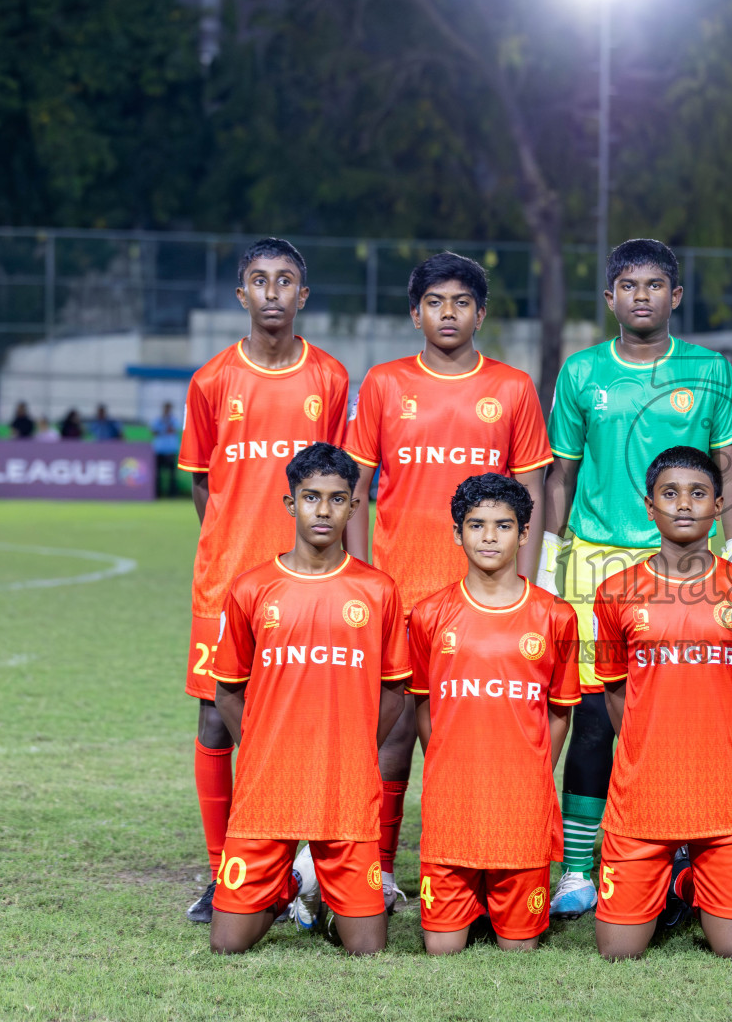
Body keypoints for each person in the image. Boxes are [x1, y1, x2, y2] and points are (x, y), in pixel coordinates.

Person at [540, 239, 732, 918]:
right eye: (628, 286)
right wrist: (547, 562)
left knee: (698, 711)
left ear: (676, 297)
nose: (641, 296)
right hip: (598, 561)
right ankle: (579, 865)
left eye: (655, 285)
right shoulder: (581, 372)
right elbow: (561, 476)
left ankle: (691, 856)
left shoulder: (711, 369)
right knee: (595, 719)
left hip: (697, 564)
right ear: (610, 299)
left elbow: (731, 471)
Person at [343, 251, 552, 911]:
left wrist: (525, 583)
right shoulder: (382, 384)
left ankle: (489, 863)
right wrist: (359, 580)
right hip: (400, 589)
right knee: (394, 730)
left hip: (486, 596)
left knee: (479, 732)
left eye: (462, 302)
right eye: (435, 302)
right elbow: (357, 490)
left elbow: (534, 494)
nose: (449, 313)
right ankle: (375, 871)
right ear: (415, 313)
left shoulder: (514, 388)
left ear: (481, 313)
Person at [177, 238, 350, 924]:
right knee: (216, 721)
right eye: (259, 280)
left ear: (302, 296)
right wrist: (232, 545)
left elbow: (342, 481)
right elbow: (202, 484)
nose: (272, 291)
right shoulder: (212, 380)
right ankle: (229, 873)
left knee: (310, 721)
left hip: (312, 584)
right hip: (228, 585)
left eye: (285, 281)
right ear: (241, 294)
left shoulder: (330, 379)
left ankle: (307, 871)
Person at [205, 443, 409, 954]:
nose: (324, 510)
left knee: (368, 950)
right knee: (227, 945)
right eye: (311, 497)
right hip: (268, 785)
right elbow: (228, 691)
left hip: (344, 785)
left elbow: (394, 690)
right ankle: (289, 886)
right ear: (290, 504)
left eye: (337, 499)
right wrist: (257, 749)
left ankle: (328, 897)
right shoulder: (252, 588)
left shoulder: (378, 590)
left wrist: (360, 747)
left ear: (354, 508)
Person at [589, 447, 732, 959]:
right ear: (650, 507)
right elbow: (616, 689)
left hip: (725, 797)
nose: (684, 505)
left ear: (718, 504)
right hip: (642, 796)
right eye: (670, 494)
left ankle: (690, 881)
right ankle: (672, 881)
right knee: (616, 953)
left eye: (698, 494)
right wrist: (647, 753)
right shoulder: (615, 592)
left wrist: (725, 749)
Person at [407, 473, 579, 953]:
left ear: (525, 533)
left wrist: (535, 766)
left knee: (518, 948)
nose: (488, 536)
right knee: (441, 950)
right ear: (456, 531)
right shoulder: (428, 615)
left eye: (503, 526)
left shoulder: (555, 616)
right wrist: (444, 759)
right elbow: (424, 701)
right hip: (453, 801)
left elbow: (560, 711)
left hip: (521, 804)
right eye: (476, 524)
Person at [151, 402, 181, 498]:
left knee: (172, 475)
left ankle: (172, 494)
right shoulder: (158, 420)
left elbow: (173, 430)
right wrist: (165, 429)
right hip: (159, 450)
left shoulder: (174, 420)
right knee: (157, 473)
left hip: (171, 450)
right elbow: (154, 432)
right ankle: (157, 493)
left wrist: (162, 430)